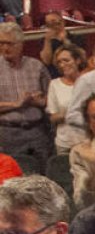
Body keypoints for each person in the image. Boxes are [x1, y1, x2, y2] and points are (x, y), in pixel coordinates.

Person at [0, 22, 51, 164]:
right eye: (1, 43)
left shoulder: (36, 66)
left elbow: (51, 98)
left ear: (21, 44)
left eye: (9, 43)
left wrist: (40, 102)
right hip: (8, 134)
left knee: (43, 177)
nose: (4, 48)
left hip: (38, 132)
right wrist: (16, 104)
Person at [46, 44, 87, 154]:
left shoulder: (88, 82)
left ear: (78, 60)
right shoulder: (54, 85)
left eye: (66, 60)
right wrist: (68, 114)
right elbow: (52, 117)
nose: (62, 65)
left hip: (87, 140)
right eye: (59, 62)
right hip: (64, 143)